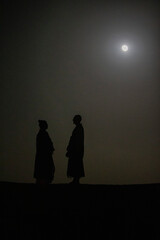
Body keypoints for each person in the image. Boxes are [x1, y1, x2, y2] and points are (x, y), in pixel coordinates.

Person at [34, 120, 55, 185]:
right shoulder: (43, 134)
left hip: (44, 155)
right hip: (44, 156)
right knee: (46, 170)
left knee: (44, 170)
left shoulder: (42, 134)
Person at [66, 115, 85, 184]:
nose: (73, 120)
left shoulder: (79, 128)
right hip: (76, 149)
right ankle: (75, 179)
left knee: (76, 164)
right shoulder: (78, 128)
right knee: (76, 164)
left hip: (76, 150)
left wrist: (73, 148)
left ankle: (76, 180)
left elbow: (76, 140)